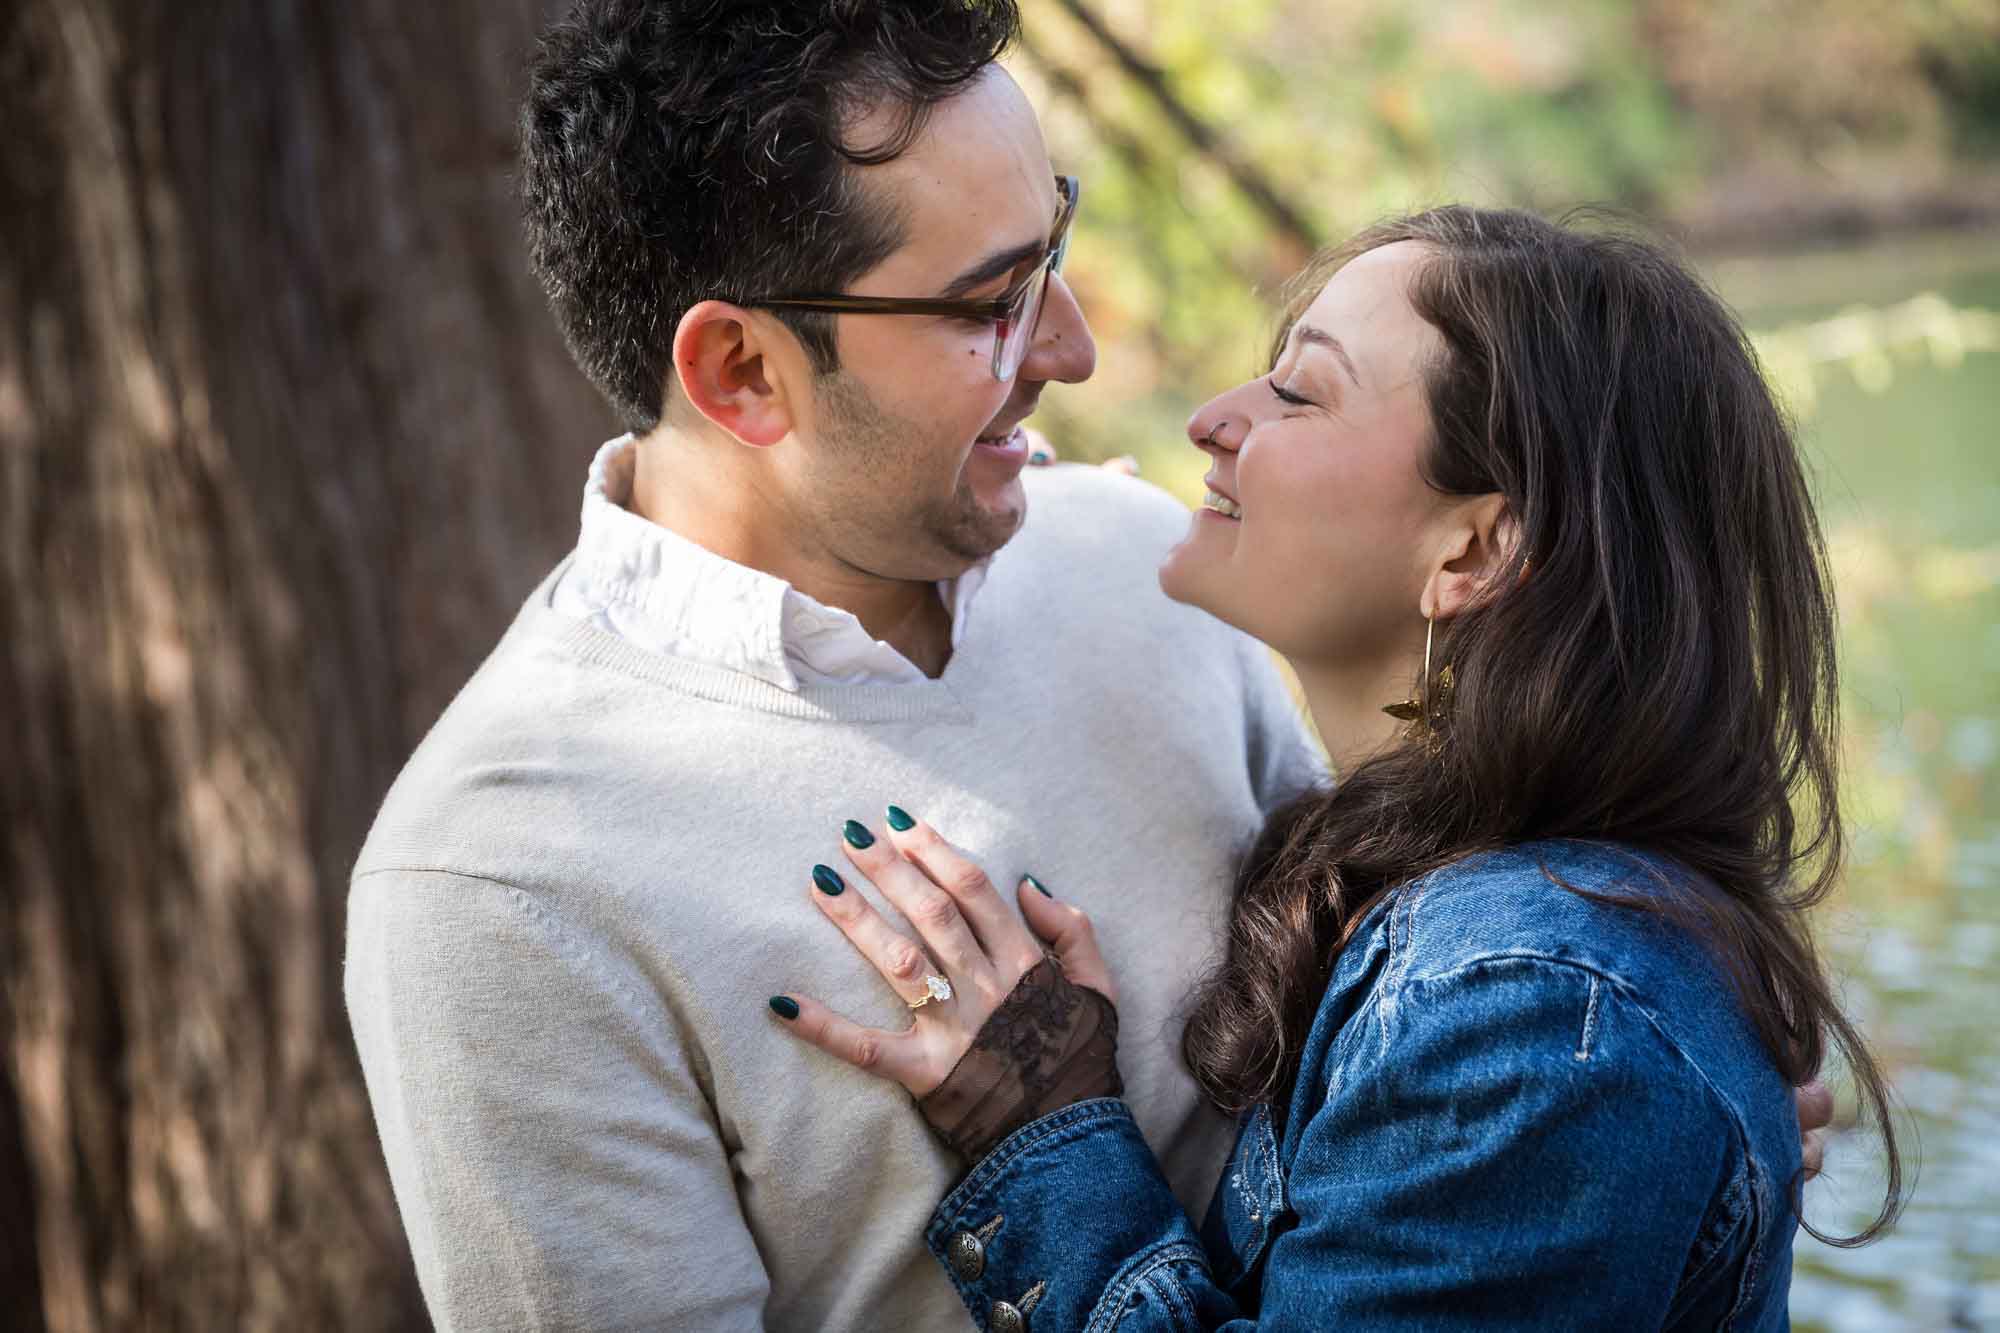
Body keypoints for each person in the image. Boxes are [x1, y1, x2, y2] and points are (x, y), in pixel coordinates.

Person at [342, 3, 1327, 1329]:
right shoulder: (507, 881)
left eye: (1056, 251)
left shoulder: (1145, 566)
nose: (1073, 348)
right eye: (993, 303)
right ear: (742, 371)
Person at [774, 207, 1903, 1329]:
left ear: (1473, 548)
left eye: (1297, 393)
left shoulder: (1533, 1012)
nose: (1210, 419)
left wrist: (1040, 1139)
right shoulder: (1498, 947)